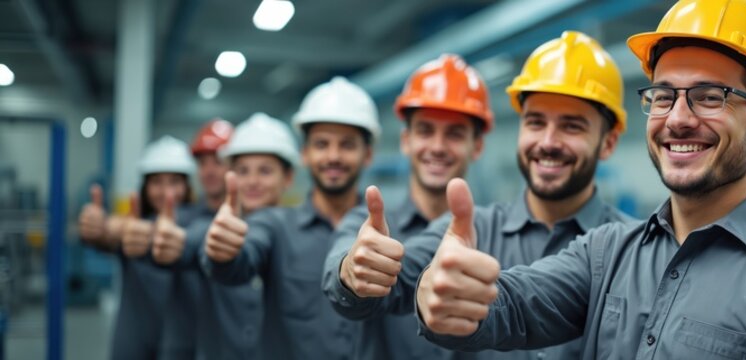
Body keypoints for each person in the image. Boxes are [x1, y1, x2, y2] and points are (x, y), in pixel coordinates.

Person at [414, 1, 746, 359]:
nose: (677, 119)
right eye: (663, 95)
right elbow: (510, 306)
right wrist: (444, 293)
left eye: (709, 96)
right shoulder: (607, 253)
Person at [327, 31, 632, 360]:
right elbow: (405, 274)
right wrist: (355, 273)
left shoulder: (632, 252)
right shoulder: (474, 231)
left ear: (609, 142)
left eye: (572, 126)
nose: (547, 142)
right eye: (535, 122)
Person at [321, 54, 491, 359]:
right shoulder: (369, 225)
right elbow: (341, 262)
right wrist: (350, 271)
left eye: (454, 133)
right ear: (406, 140)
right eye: (425, 130)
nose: (437, 147)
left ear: (476, 146)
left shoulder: (495, 233)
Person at [201, 77, 379, 360]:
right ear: (305, 154)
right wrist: (223, 253)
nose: (333, 156)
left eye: (346, 145)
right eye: (321, 144)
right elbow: (239, 263)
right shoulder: (274, 225)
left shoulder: (386, 235)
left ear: (367, 154)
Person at [179, 113, 298, 359]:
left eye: (264, 171)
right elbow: (190, 243)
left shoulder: (303, 234)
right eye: (243, 171)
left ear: (287, 177)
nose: (253, 181)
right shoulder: (213, 229)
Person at [77, 135, 198, 359]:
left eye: (174, 182)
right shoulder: (132, 225)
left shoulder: (199, 223)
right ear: (145, 187)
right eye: (157, 182)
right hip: (134, 342)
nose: (166, 192)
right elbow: (114, 233)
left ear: (187, 185)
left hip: (184, 343)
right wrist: (100, 227)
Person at [157, 118, 234, 360]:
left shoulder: (252, 223)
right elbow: (148, 230)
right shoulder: (179, 219)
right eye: (203, 163)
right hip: (185, 343)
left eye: (218, 162)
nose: (209, 171)